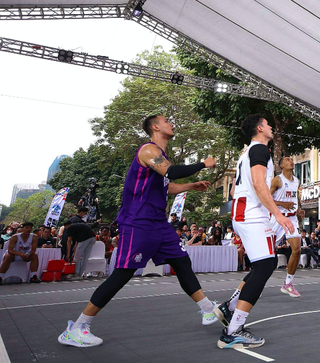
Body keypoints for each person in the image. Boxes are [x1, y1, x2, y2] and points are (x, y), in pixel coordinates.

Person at [57, 114, 218, 348]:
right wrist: (203, 164)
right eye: (166, 121)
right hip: (138, 222)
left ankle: (207, 310)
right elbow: (171, 172)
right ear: (155, 127)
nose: (171, 123)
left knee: (181, 262)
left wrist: (191, 185)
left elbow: (167, 184)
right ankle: (77, 327)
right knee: (123, 274)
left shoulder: (161, 158)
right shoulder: (148, 151)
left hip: (158, 223)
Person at [214, 114, 294, 350]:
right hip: (250, 213)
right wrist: (277, 214)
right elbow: (259, 184)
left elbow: (240, 190)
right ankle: (233, 331)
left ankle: (229, 308)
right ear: (260, 128)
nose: (271, 127)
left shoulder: (248, 152)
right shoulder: (259, 149)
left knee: (266, 264)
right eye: (268, 124)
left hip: (245, 211)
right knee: (265, 265)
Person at [268, 155, 303, 297]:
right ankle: (255, 283)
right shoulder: (277, 180)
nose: (291, 161)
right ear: (281, 165)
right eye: (287, 160)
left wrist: (299, 209)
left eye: (291, 160)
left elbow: (295, 198)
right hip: (277, 218)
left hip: (292, 219)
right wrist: (283, 204)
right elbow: (266, 198)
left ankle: (288, 284)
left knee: (297, 250)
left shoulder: (297, 181)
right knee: (266, 256)